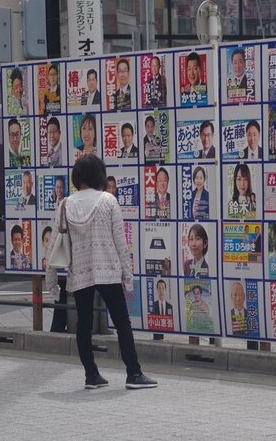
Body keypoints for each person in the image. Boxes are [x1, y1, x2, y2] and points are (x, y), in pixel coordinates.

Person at [44, 154, 157, 389]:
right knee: (122, 322)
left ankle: (91, 375)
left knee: (83, 325)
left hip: (80, 272)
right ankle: (133, 374)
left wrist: (52, 281)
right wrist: (128, 275)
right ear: (99, 175)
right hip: (108, 272)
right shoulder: (108, 201)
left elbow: (54, 245)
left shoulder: (65, 204)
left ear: (77, 177)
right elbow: (120, 243)